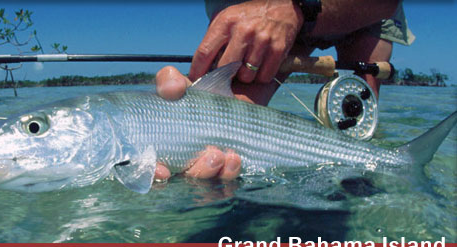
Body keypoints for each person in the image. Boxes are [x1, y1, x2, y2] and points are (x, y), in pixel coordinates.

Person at [153, 0, 414, 181]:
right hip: (248, 9)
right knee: (227, 146)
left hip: (364, 11)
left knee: (362, 123)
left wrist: (296, 9)